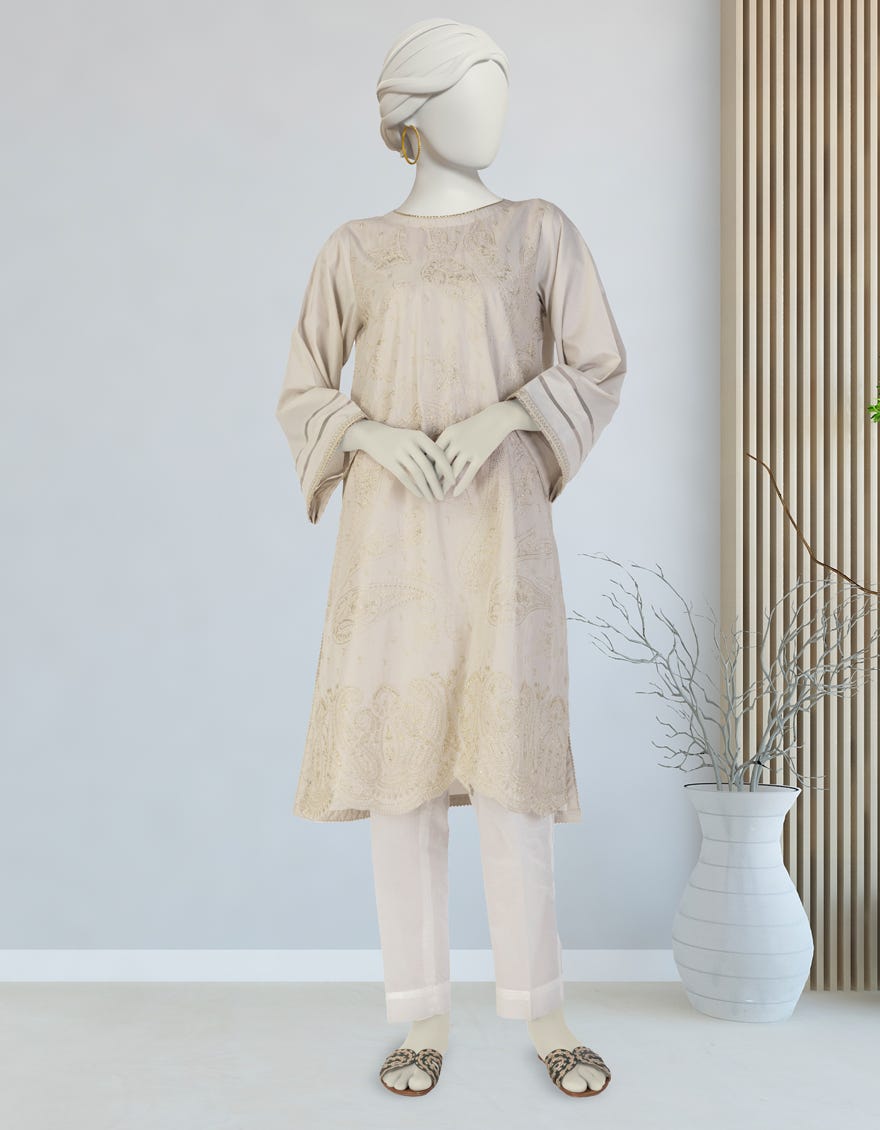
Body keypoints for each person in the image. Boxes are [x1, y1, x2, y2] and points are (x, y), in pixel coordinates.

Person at [275, 16, 626, 1099]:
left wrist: (511, 413)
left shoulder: (539, 232)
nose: (495, 106)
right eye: (473, 87)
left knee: (514, 784)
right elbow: (302, 389)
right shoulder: (354, 250)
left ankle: (543, 1010)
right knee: (402, 787)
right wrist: (368, 434)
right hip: (390, 542)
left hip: (503, 540)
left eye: (500, 84)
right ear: (412, 117)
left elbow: (599, 363)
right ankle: (420, 1016)